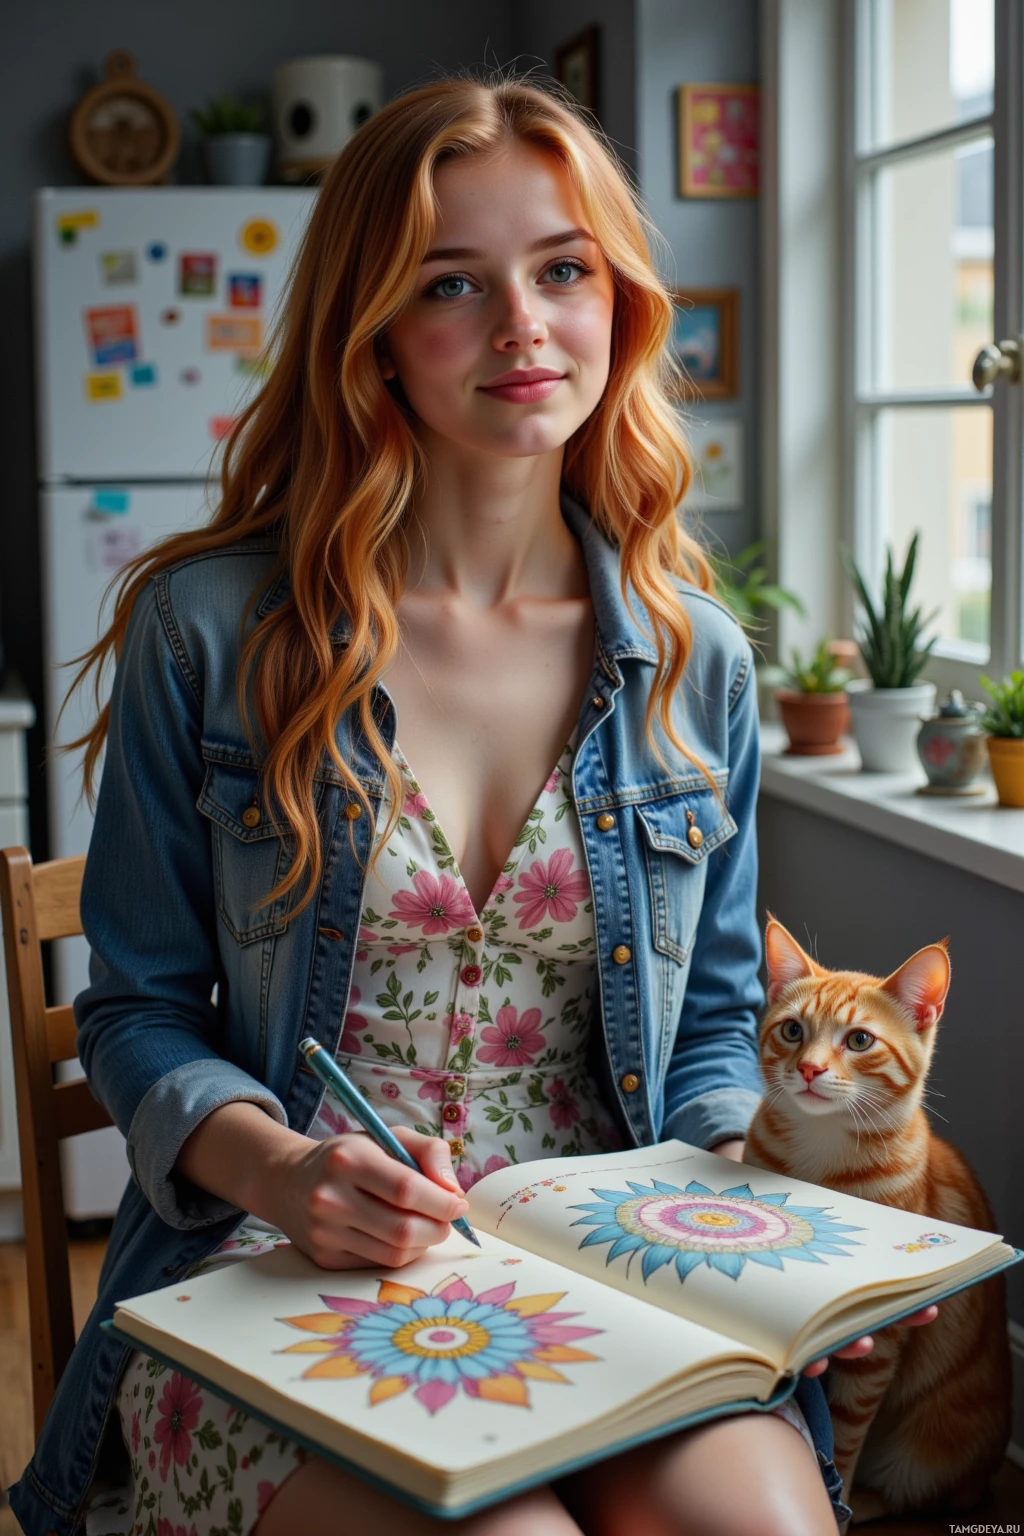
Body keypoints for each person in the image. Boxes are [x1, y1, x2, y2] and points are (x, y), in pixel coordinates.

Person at [7, 72, 937, 1536]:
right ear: (372, 331)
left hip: (611, 1261)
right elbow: (137, 1012)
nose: (523, 326)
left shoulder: (701, 661)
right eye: (455, 283)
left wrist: (761, 1236)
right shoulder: (211, 631)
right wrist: (292, 1168)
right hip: (278, 1259)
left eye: (563, 269)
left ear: (618, 302)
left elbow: (704, 1034)